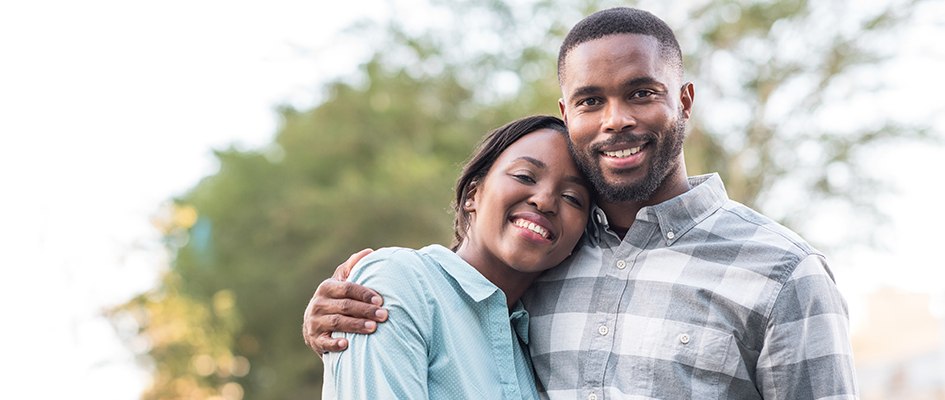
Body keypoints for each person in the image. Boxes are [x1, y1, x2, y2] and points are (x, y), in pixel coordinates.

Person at [304, 7, 858, 399]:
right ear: (568, 113)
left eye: (642, 92)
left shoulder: (784, 274)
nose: (616, 118)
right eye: (592, 100)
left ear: (684, 100)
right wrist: (341, 319)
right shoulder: (546, 261)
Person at [320, 115, 592, 399]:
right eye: (524, 176)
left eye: (573, 197)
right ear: (472, 194)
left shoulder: (534, 346)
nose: (545, 200)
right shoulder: (399, 281)